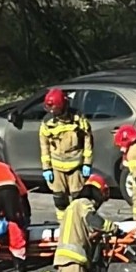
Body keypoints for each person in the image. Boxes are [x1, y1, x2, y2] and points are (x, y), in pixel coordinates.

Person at [39, 88, 94, 221]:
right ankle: (63, 225)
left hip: (75, 167)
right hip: (57, 168)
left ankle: (79, 223)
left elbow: (88, 140)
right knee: (59, 198)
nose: (53, 113)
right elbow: (44, 145)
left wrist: (87, 162)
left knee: (78, 198)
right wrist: (46, 168)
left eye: (55, 110)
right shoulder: (48, 122)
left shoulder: (77, 119)